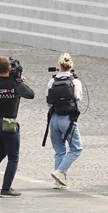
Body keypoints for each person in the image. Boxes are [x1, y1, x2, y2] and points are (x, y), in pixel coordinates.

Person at [0, 57, 35, 197]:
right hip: (8, 123)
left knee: (1, 150)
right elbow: (31, 95)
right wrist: (21, 81)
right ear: (10, 69)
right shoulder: (16, 84)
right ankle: (6, 188)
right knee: (13, 157)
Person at [45, 53, 83, 190]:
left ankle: (58, 182)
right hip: (68, 119)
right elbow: (78, 99)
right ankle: (60, 172)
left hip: (54, 119)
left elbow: (48, 102)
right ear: (71, 66)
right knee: (76, 148)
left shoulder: (52, 81)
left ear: (59, 66)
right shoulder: (75, 82)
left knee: (59, 150)